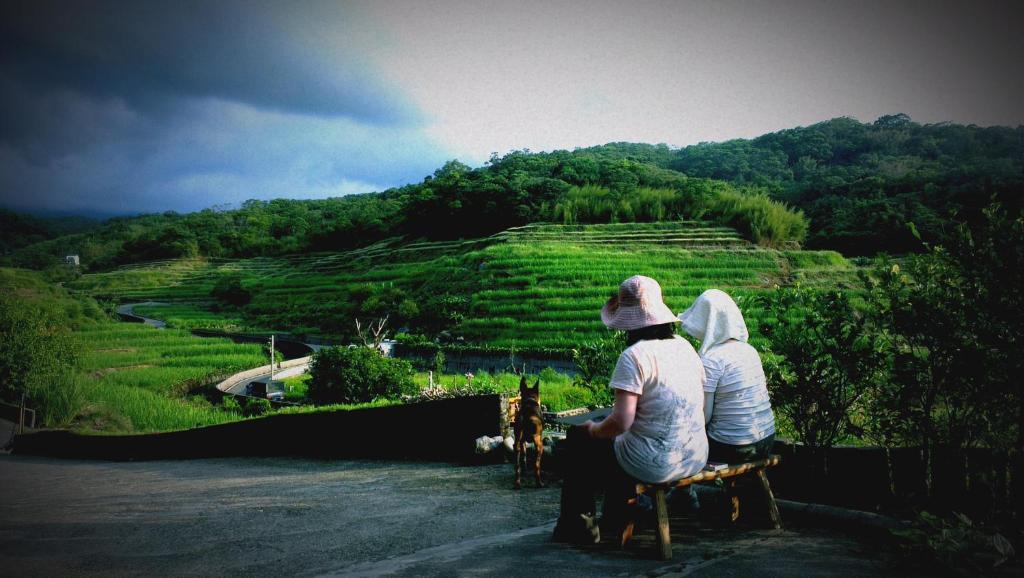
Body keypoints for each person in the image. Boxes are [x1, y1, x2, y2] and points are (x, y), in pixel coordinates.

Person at [553, 275, 708, 544]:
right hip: (694, 454)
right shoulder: (685, 347)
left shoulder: (634, 357)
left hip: (656, 464)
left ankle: (580, 528)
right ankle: (618, 512)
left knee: (580, 439)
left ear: (628, 323)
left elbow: (622, 422)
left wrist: (593, 429)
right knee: (610, 438)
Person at [677, 289, 775, 464]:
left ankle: (684, 490)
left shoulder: (711, 359)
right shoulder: (750, 351)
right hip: (766, 440)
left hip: (733, 447)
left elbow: (704, 417)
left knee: (677, 443)